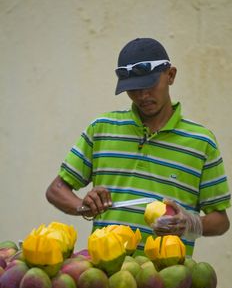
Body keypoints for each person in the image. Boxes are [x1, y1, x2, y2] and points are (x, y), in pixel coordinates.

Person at [46, 37, 231, 256]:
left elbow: (221, 222)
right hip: (105, 278)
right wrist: (83, 206)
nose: (142, 96)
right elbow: (56, 189)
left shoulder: (202, 142)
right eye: (133, 89)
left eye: (150, 85)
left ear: (170, 75)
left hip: (169, 281)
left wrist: (190, 224)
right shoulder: (102, 129)